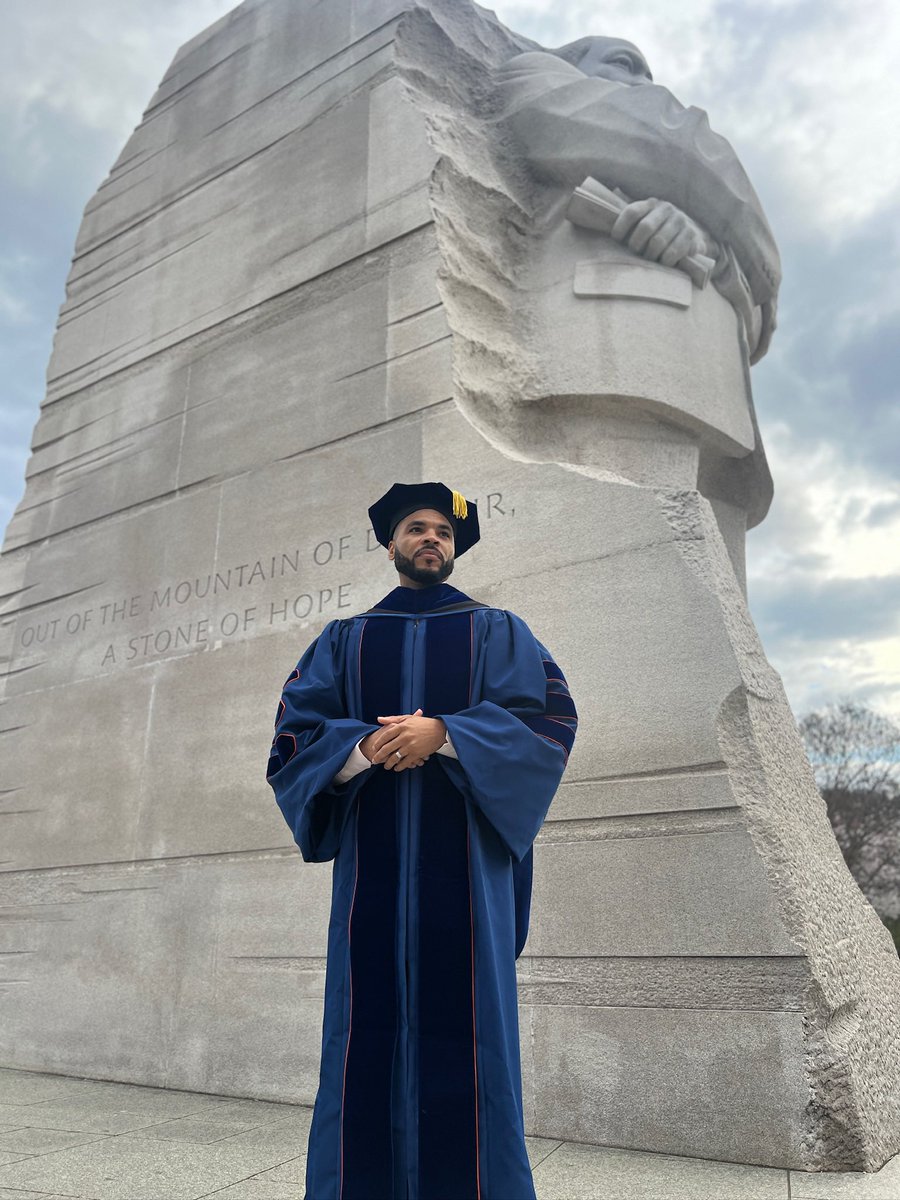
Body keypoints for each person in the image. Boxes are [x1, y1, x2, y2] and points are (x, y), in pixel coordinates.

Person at [266, 481, 577, 1200]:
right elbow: (292, 739)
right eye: (416, 527)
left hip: (466, 874)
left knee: (473, 1049)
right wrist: (365, 746)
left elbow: (550, 722)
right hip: (371, 880)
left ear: (455, 545)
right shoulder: (343, 642)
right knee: (359, 1049)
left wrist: (446, 733)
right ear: (390, 544)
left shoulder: (500, 631)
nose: (430, 537)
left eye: (442, 529)